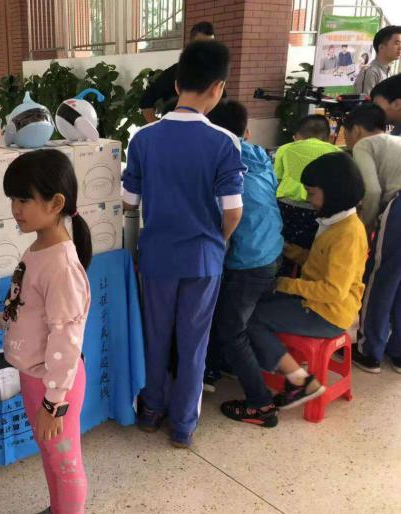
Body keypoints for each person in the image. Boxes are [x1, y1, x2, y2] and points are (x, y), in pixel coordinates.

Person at [122, 41, 244, 448]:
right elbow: (233, 212)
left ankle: (150, 410)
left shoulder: (143, 138)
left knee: (155, 336)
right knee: (194, 344)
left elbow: (129, 202)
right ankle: (183, 426)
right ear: (218, 88)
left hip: (156, 256)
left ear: (176, 84)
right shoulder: (225, 142)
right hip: (203, 259)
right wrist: (216, 241)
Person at [0, 150, 92, 514]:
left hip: (55, 385)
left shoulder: (61, 265)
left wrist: (53, 404)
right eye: (13, 199)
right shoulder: (38, 248)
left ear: (56, 203)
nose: (15, 209)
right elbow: (28, 307)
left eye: (24, 199)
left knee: (65, 462)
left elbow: (66, 338)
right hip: (35, 377)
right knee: (50, 454)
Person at [221, 152, 368, 427]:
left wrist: (284, 284)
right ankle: (279, 370)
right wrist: (287, 249)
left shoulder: (348, 233)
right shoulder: (336, 223)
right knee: (256, 310)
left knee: (250, 319)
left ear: (334, 193)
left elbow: (333, 290)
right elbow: (318, 263)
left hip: (327, 313)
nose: (310, 200)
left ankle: (298, 382)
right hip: (318, 304)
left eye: (312, 193)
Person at [203, 100, 284, 392]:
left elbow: (226, 215)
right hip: (273, 251)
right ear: (246, 132)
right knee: (226, 312)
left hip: (249, 261)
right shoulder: (260, 156)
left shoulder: (221, 163)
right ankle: (220, 367)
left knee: (231, 328)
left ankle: (259, 401)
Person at [343, 104, 401, 374]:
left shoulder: (365, 145)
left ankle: (369, 352)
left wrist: (364, 229)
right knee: (398, 280)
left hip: (399, 208)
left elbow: (373, 191)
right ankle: (397, 353)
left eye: (346, 135)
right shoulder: (395, 141)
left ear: (355, 130)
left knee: (380, 279)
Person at [274, 114, 340, 251]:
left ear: (297, 135)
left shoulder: (285, 149)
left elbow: (277, 180)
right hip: (319, 209)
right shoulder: (337, 152)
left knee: (285, 245)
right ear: (328, 136)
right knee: (312, 247)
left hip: (287, 206)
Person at [139, 21, 217, 124]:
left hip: (207, 131)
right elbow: (146, 101)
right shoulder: (176, 72)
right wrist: (159, 128)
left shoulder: (215, 74)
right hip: (176, 130)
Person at [354, 26, 401, 96]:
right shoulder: (370, 72)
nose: (400, 47)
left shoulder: (388, 71)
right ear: (381, 47)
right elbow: (364, 102)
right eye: (397, 43)